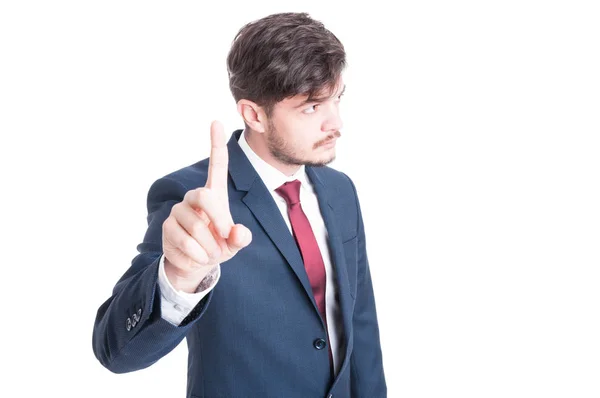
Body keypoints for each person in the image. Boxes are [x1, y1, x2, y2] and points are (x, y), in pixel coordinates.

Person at [92, 12, 386, 398]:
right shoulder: (192, 197)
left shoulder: (340, 190)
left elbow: (360, 327)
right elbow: (116, 353)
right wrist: (178, 278)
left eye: (336, 98)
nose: (336, 123)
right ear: (254, 114)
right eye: (312, 107)